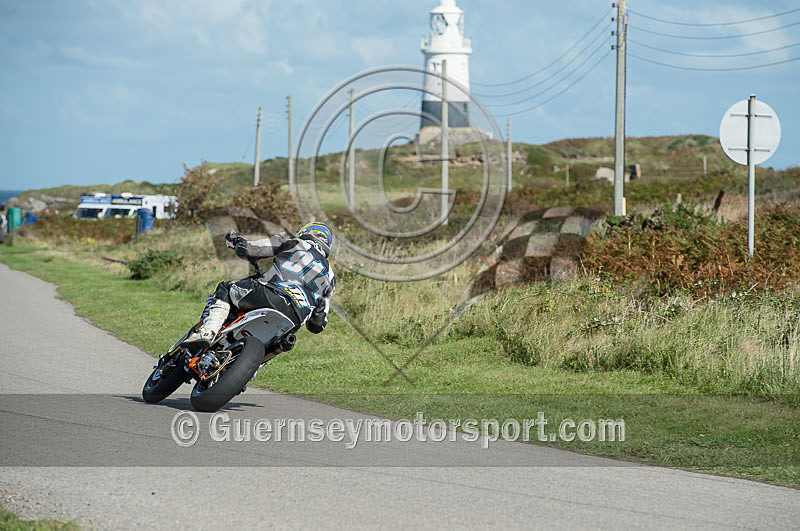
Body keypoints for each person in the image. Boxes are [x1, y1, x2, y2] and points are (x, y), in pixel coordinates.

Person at [184, 222, 336, 349]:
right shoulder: (330, 276)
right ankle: (250, 373)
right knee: (279, 345)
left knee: (225, 287)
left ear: (305, 232)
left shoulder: (291, 240)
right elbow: (317, 324)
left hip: (270, 295)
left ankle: (207, 332)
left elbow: (250, 249)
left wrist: (236, 241)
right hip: (294, 320)